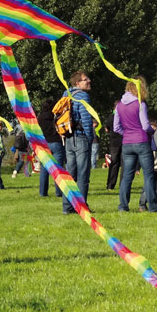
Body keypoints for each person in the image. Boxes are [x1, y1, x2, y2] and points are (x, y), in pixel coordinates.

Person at [114, 77, 157, 213]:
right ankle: (152, 206)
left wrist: (127, 133)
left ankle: (123, 206)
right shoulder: (140, 103)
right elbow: (146, 125)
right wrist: (153, 131)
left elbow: (116, 127)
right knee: (149, 174)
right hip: (141, 140)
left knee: (127, 176)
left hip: (127, 142)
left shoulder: (119, 105)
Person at [62, 71, 94, 215]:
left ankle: (67, 207)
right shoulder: (82, 96)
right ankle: (81, 207)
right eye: (85, 79)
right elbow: (86, 119)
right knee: (82, 174)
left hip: (68, 137)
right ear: (77, 83)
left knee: (70, 175)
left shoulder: (65, 94)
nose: (89, 81)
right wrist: (89, 137)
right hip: (81, 137)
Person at [37, 99, 64, 197]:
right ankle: (59, 192)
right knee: (58, 168)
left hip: (44, 143)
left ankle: (43, 192)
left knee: (44, 168)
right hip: (56, 142)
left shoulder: (39, 118)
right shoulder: (56, 116)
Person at [139, 120, 157, 211]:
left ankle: (156, 205)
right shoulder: (146, 142)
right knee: (147, 187)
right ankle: (142, 204)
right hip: (150, 167)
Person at [105, 102, 122, 190]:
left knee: (114, 164)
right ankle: (123, 185)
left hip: (114, 142)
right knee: (125, 164)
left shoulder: (110, 117)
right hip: (124, 141)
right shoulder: (124, 116)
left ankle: (110, 185)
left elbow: (106, 128)